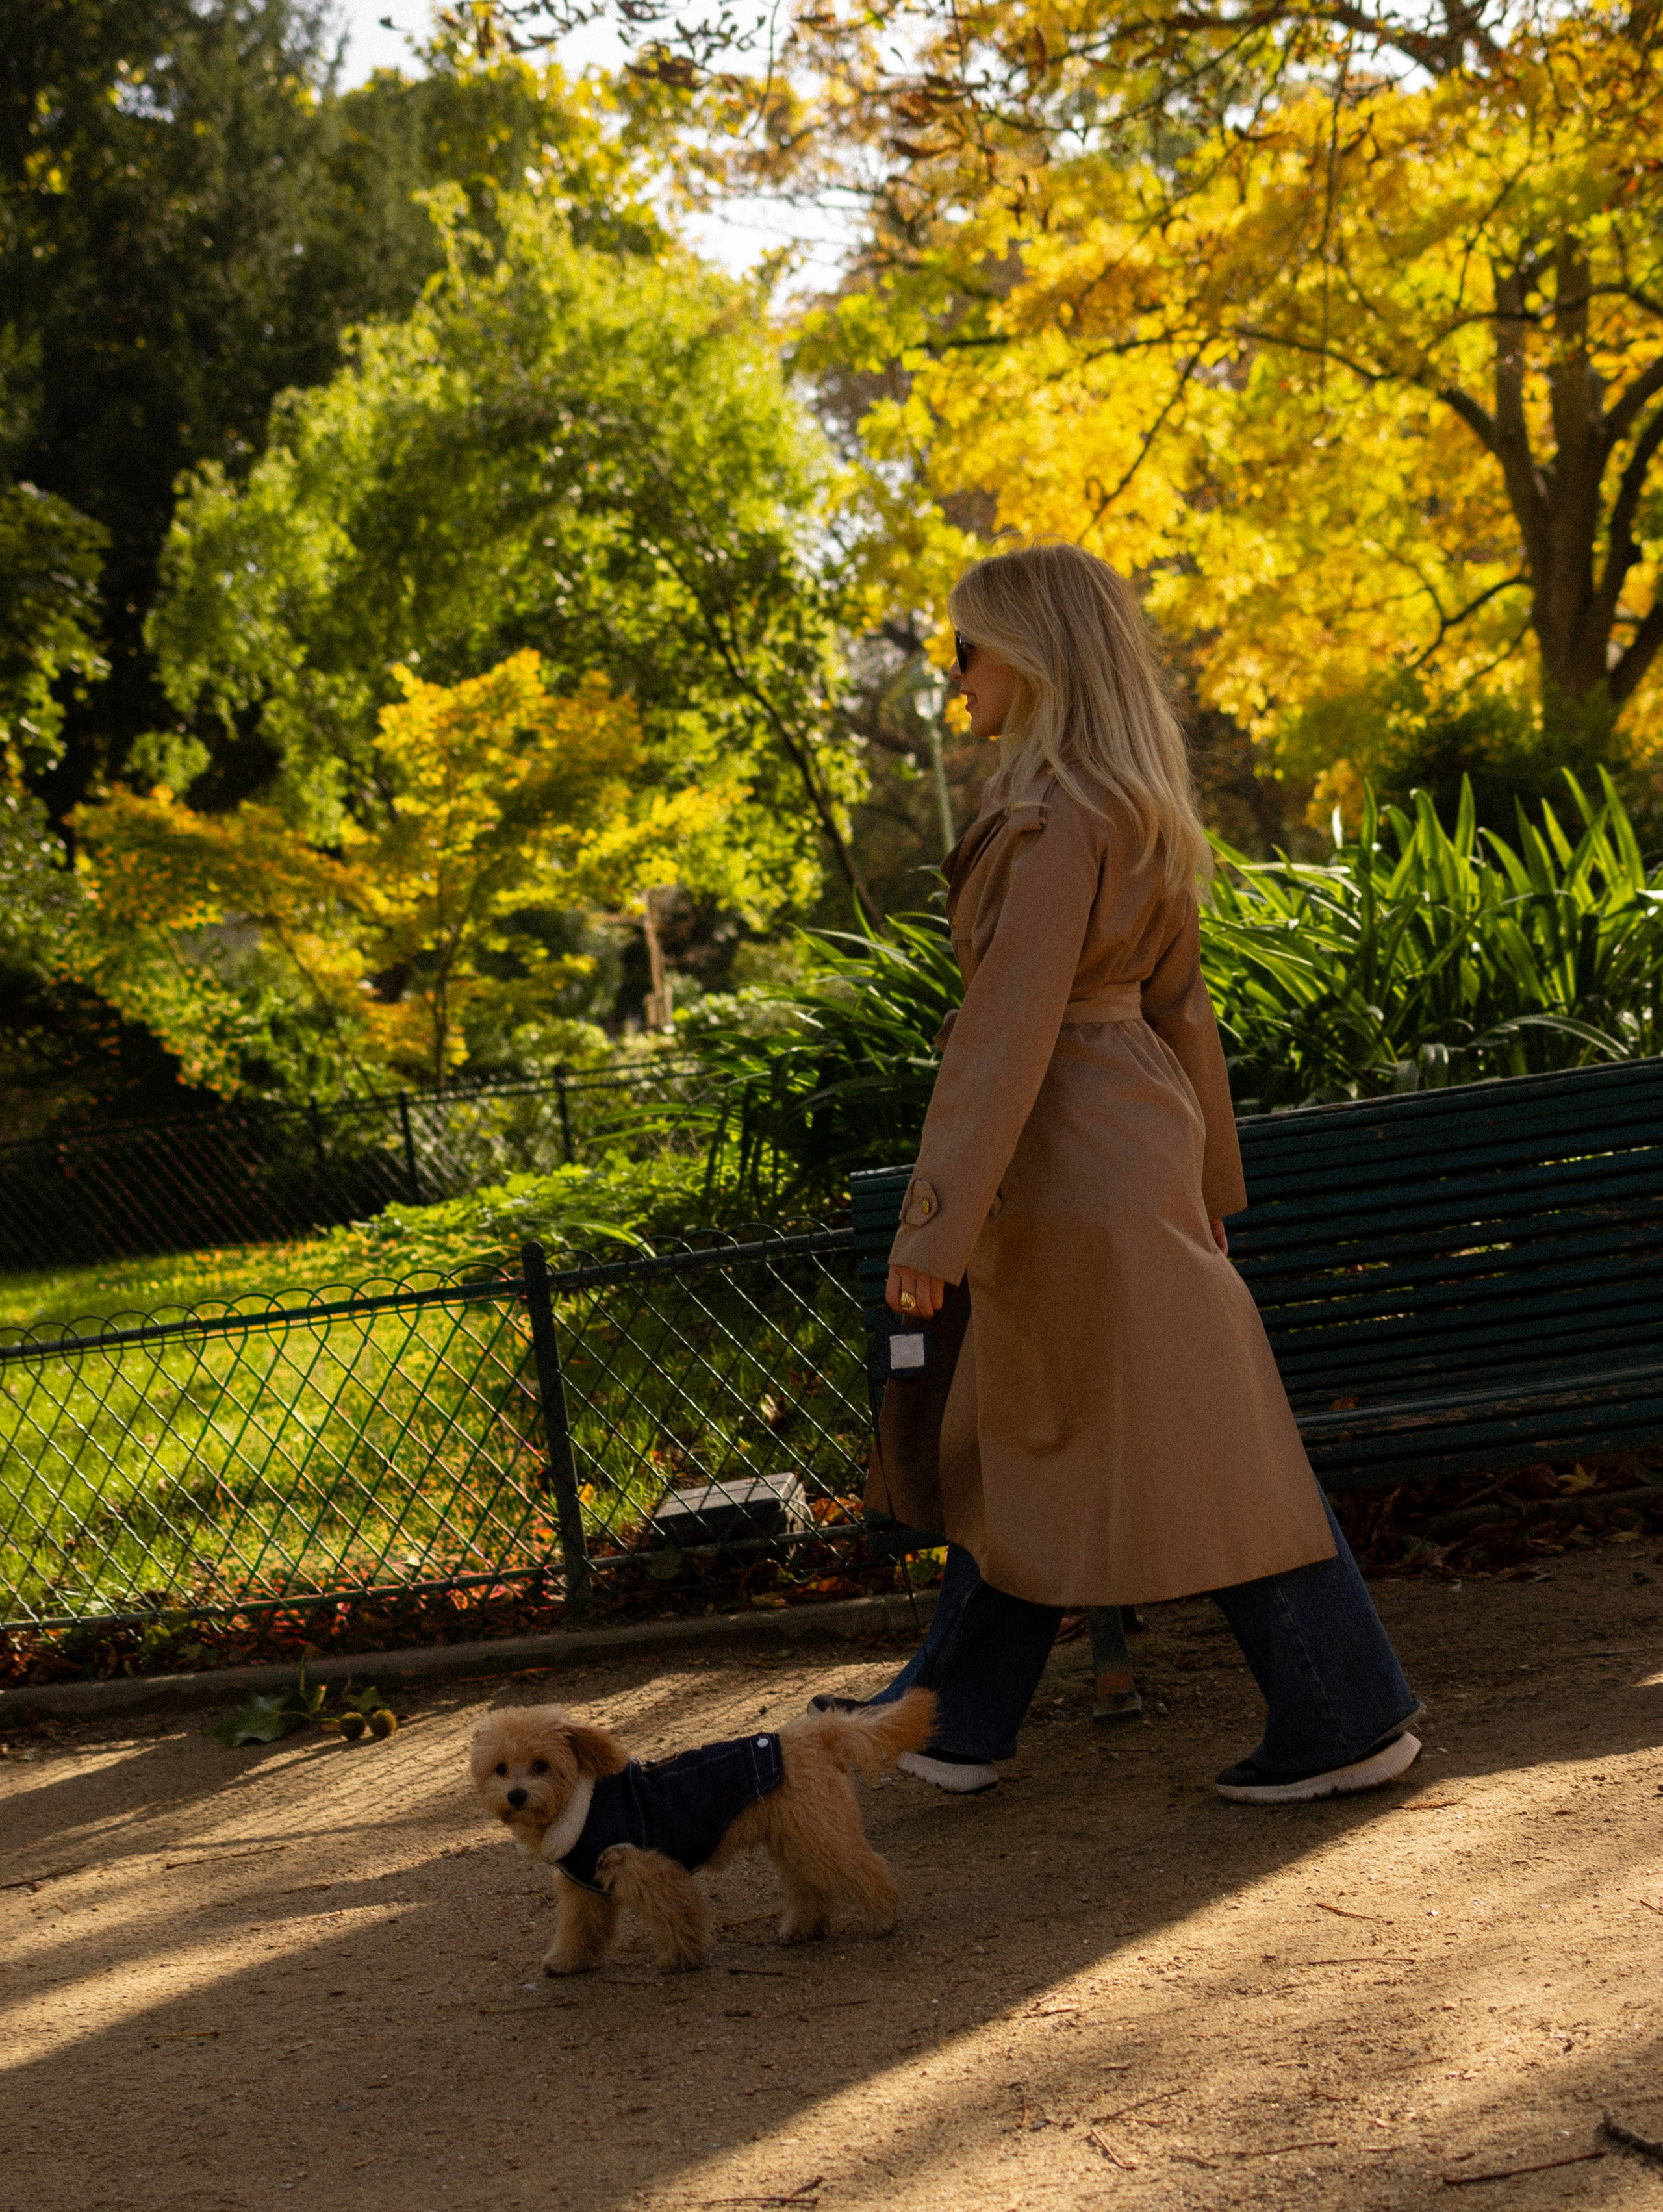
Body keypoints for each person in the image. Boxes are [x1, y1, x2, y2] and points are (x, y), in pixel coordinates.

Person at [815, 541, 1422, 1805]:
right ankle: (951, 1714)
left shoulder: (1047, 822)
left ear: (1028, 661)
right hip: (1124, 1138)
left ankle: (1343, 1705)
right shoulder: (1131, 807)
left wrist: (925, 1234)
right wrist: (1208, 1182)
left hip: (1065, 1160)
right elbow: (1181, 1012)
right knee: (1036, 1434)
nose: (954, 675)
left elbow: (1001, 1035)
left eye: (966, 648)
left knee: (1179, 1441)